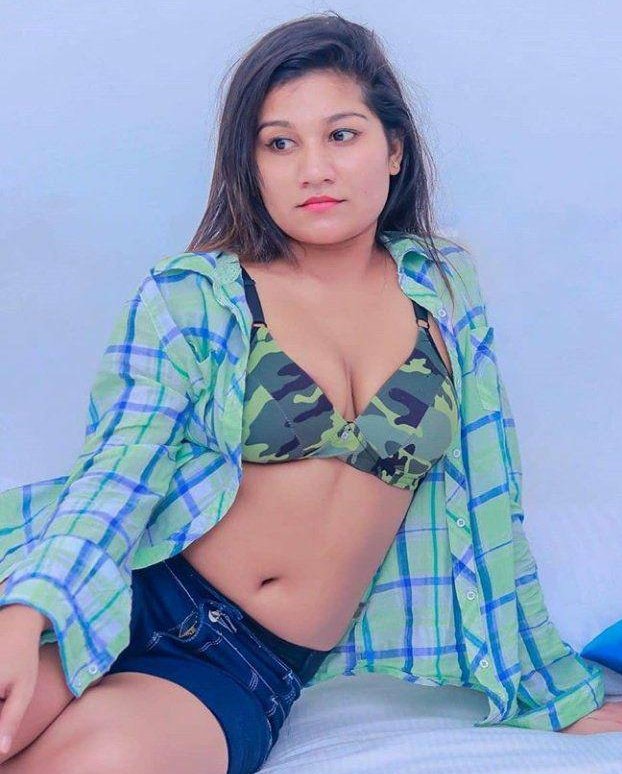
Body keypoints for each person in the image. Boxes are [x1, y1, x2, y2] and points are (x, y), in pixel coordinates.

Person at [0, 10, 619, 774]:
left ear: (394, 149)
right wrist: (30, 606)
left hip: (238, 663)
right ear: (251, 164)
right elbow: (115, 473)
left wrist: (556, 693)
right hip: (106, 591)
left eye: (341, 135)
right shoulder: (196, 296)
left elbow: (493, 498)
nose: (313, 169)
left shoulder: (445, 293)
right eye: (280, 143)